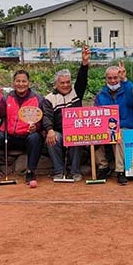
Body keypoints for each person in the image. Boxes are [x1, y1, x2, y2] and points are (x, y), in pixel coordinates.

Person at [0, 70, 44, 184]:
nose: (21, 84)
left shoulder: (38, 98)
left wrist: (36, 127)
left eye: (24, 81)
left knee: (35, 137)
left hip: (27, 135)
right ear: (13, 83)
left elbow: (42, 118)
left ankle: (31, 171)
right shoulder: (7, 97)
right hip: (8, 135)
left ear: (29, 83)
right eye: (18, 81)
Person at [41, 48, 90, 182]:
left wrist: (84, 63)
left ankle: (75, 171)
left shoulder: (76, 93)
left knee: (75, 138)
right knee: (53, 138)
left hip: (75, 131)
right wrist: (49, 130)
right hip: (58, 132)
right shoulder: (49, 98)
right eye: (62, 83)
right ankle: (58, 171)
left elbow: (82, 80)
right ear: (56, 84)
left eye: (68, 82)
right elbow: (46, 116)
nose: (66, 85)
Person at [94, 61, 133, 185]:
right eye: (110, 78)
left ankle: (120, 170)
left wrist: (125, 80)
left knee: (118, 134)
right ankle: (103, 166)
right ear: (106, 78)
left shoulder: (127, 90)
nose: (113, 81)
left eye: (115, 78)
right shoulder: (100, 95)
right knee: (92, 135)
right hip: (106, 127)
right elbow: (96, 112)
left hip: (125, 126)